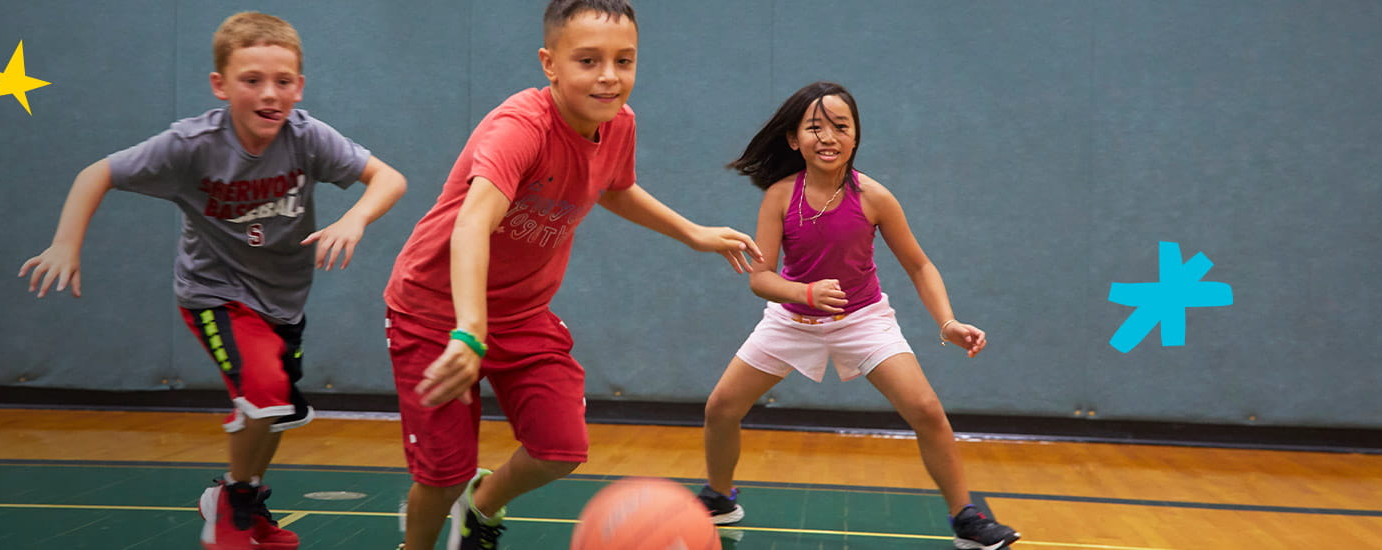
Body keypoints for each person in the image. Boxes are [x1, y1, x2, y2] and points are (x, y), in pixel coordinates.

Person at [17, 12, 408, 550]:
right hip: (214, 294)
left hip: (283, 301)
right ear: (220, 85)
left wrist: (354, 218)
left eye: (284, 81)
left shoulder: (306, 137)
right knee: (268, 397)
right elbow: (97, 174)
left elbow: (389, 178)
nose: (270, 94)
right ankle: (229, 520)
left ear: (300, 85)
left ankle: (238, 496)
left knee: (273, 412)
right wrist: (66, 242)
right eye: (252, 80)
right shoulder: (190, 145)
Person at [382, 1, 761, 548]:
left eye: (624, 61)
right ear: (549, 63)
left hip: (522, 314)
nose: (609, 76)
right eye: (588, 60)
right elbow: (472, 224)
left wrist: (693, 232)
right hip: (435, 313)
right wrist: (468, 329)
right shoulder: (520, 128)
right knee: (440, 475)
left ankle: (481, 508)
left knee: (560, 449)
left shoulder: (618, 123)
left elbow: (614, 186)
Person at [695, 81, 1021, 549]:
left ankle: (966, 517)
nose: (827, 137)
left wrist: (946, 322)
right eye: (814, 127)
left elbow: (919, 264)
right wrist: (803, 291)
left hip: (863, 321)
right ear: (794, 140)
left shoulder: (874, 197)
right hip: (791, 320)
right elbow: (760, 278)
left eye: (840, 127)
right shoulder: (780, 196)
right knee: (721, 408)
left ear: (855, 137)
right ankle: (720, 496)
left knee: (927, 411)